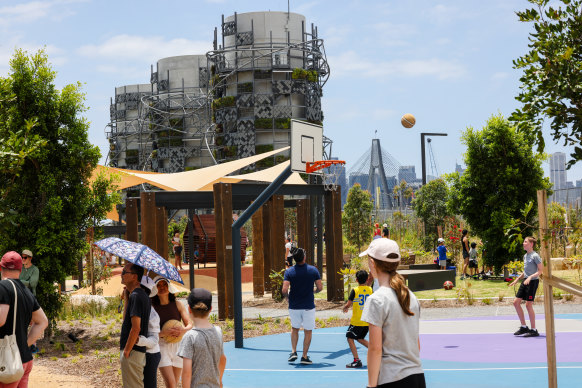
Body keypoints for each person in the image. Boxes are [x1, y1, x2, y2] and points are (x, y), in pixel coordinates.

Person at [360, 239, 425, 388]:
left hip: (392, 377)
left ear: (372, 263)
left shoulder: (376, 300)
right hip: (417, 376)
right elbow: (416, 344)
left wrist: (371, 385)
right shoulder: (410, 296)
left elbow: (375, 349)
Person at [0, 251, 48, 388]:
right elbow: (43, 321)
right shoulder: (27, 292)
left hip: (7, 362)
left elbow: (1, 320)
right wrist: (25, 344)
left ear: (0, 268)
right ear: (20, 270)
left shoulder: (3, 287)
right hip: (25, 360)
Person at [178, 288, 226, 388]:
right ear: (211, 308)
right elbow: (223, 359)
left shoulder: (189, 337)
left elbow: (187, 372)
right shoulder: (218, 331)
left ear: (189, 309)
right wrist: (219, 381)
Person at [282, 247, 323, 365]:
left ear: (294, 259)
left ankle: (293, 351)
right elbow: (320, 287)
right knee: (308, 331)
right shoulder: (313, 270)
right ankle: (304, 356)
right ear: (304, 257)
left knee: (294, 328)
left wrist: (287, 298)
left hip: (294, 305)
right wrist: (313, 292)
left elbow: (284, 290)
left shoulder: (289, 272)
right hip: (308, 305)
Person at [152, 276, 192, 388]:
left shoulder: (178, 304)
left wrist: (182, 330)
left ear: (169, 287)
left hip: (179, 345)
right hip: (161, 345)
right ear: (154, 289)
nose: (162, 287)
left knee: (174, 383)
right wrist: (163, 333)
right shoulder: (152, 308)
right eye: (158, 285)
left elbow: (190, 324)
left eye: (164, 284)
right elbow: (148, 333)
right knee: (171, 384)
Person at [120, 263, 150, 388]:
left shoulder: (137, 296)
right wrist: (127, 296)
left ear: (134, 276)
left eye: (124, 272)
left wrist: (127, 351)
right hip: (135, 351)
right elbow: (126, 319)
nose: (121, 275)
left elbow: (136, 327)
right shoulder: (137, 295)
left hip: (132, 351)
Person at [508, 237, 543, 337]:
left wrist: (530, 277)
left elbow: (540, 271)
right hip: (525, 281)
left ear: (531, 244)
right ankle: (524, 327)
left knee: (528, 305)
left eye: (525, 242)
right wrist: (517, 279)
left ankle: (533, 330)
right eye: (524, 242)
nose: (523, 243)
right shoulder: (525, 256)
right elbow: (526, 271)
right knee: (516, 302)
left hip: (532, 282)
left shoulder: (535, 256)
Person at [342, 270, 372, 368]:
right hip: (367, 321)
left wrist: (345, 307)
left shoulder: (355, 290)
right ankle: (378, 351)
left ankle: (356, 360)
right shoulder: (371, 290)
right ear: (367, 279)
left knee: (350, 337)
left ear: (356, 280)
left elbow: (349, 304)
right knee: (360, 338)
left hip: (357, 321)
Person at [136, 276, 161, 388]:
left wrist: (139, 340)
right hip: (139, 353)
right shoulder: (135, 307)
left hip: (150, 355)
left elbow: (154, 341)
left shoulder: (152, 314)